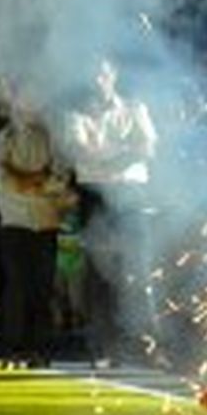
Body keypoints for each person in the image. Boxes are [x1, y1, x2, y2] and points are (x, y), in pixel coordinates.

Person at [63, 57, 158, 365]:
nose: (98, 79)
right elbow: (78, 153)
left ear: (113, 76)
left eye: (103, 73)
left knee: (136, 269)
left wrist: (107, 160)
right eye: (93, 74)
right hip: (95, 196)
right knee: (98, 273)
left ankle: (142, 346)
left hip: (130, 196)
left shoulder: (134, 108)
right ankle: (101, 347)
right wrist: (125, 154)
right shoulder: (74, 116)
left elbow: (148, 148)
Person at [0, 88, 76, 368]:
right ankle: (14, 348)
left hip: (45, 221)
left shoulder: (52, 138)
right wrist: (39, 183)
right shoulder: (5, 138)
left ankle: (39, 349)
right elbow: (2, 180)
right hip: (15, 220)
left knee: (41, 288)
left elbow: (60, 179)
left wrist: (25, 182)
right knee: (17, 286)